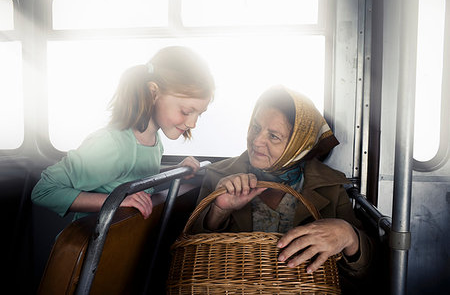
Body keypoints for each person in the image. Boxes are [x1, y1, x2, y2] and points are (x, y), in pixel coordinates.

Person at [192, 85, 374, 286]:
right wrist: (218, 211)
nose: (257, 141)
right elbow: (190, 257)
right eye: (255, 127)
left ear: (299, 145)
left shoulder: (330, 187)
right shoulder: (219, 176)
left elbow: (365, 272)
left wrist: (349, 236)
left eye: (273, 136)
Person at [32, 46, 215, 222]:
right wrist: (116, 201)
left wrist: (175, 172)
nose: (192, 123)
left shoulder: (152, 140)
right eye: (185, 111)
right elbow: (44, 191)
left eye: (199, 114)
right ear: (153, 93)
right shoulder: (112, 144)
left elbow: (128, 175)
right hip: (90, 247)